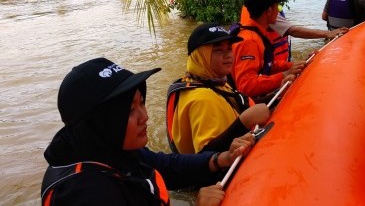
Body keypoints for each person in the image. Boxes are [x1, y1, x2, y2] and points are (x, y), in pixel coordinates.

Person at [41, 57, 256, 206]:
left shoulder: (112, 149)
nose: (145, 116)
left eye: (141, 103)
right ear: (100, 122)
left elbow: (169, 166)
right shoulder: (85, 194)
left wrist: (220, 159)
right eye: (130, 110)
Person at [166, 23, 270, 154]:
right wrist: (244, 122)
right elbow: (207, 156)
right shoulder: (202, 100)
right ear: (200, 56)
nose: (228, 55)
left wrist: (276, 94)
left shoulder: (207, 80)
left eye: (229, 49)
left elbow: (236, 100)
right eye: (218, 50)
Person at [242, 0, 349, 61]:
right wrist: (328, 34)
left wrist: (293, 65)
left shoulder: (251, 8)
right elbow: (293, 31)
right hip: (272, 68)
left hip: (274, 64)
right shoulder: (264, 11)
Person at [232, 0, 306, 102]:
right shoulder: (249, 41)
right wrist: (284, 75)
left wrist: (292, 66)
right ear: (269, 11)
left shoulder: (258, 32)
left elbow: (267, 64)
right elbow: (246, 86)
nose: (278, 11)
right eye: (277, 6)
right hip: (248, 105)